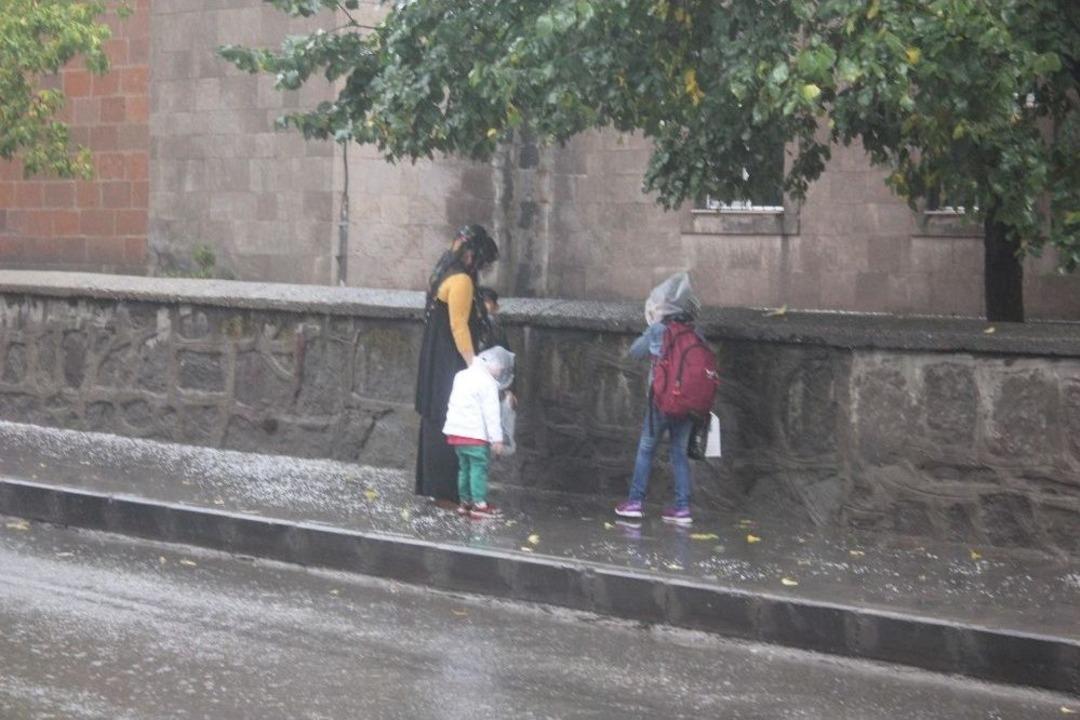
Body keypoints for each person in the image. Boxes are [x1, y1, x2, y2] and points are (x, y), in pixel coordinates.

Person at [415, 225, 499, 509]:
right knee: (450, 419)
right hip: (450, 359)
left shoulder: (443, 273)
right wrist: (473, 364)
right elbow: (459, 325)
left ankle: (440, 491)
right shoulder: (461, 281)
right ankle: (448, 493)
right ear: (472, 256)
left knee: (437, 419)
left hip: (435, 356)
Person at [615, 272, 704, 526]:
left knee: (646, 449)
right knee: (679, 453)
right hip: (688, 403)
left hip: (661, 401)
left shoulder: (658, 330)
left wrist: (652, 335)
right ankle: (683, 508)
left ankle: (635, 502)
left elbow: (634, 352)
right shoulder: (695, 332)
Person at [442, 346, 515, 519]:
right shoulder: (487, 383)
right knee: (478, 468)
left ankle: (464, 502)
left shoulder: (461, 376)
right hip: (475, 435)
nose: (500, 373)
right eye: (501, 368)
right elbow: (491, 414)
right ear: (493, 365)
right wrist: (496, 439)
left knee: (464, 468)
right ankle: (479, 504)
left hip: (456, 433)